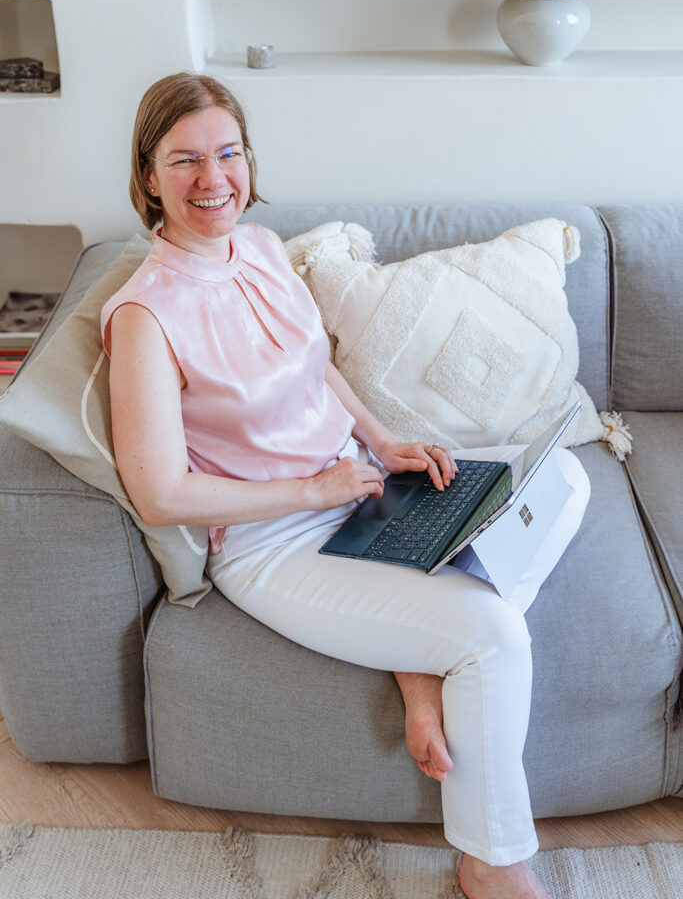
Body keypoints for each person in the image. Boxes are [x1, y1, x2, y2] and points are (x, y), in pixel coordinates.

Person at [103, 72, 590, 899]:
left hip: (358, 489)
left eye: (228, 153)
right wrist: (312, 491)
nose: (212, 179)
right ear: (148, 175)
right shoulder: (146, 314)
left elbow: (314, 366)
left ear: (249, 160)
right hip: (272, 538)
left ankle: (417, 660)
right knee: (494, 638)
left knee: (566, 477)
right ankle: (492, 861)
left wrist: (384, 441)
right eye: (184, 161)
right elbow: (162, 495)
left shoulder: (257, 248)